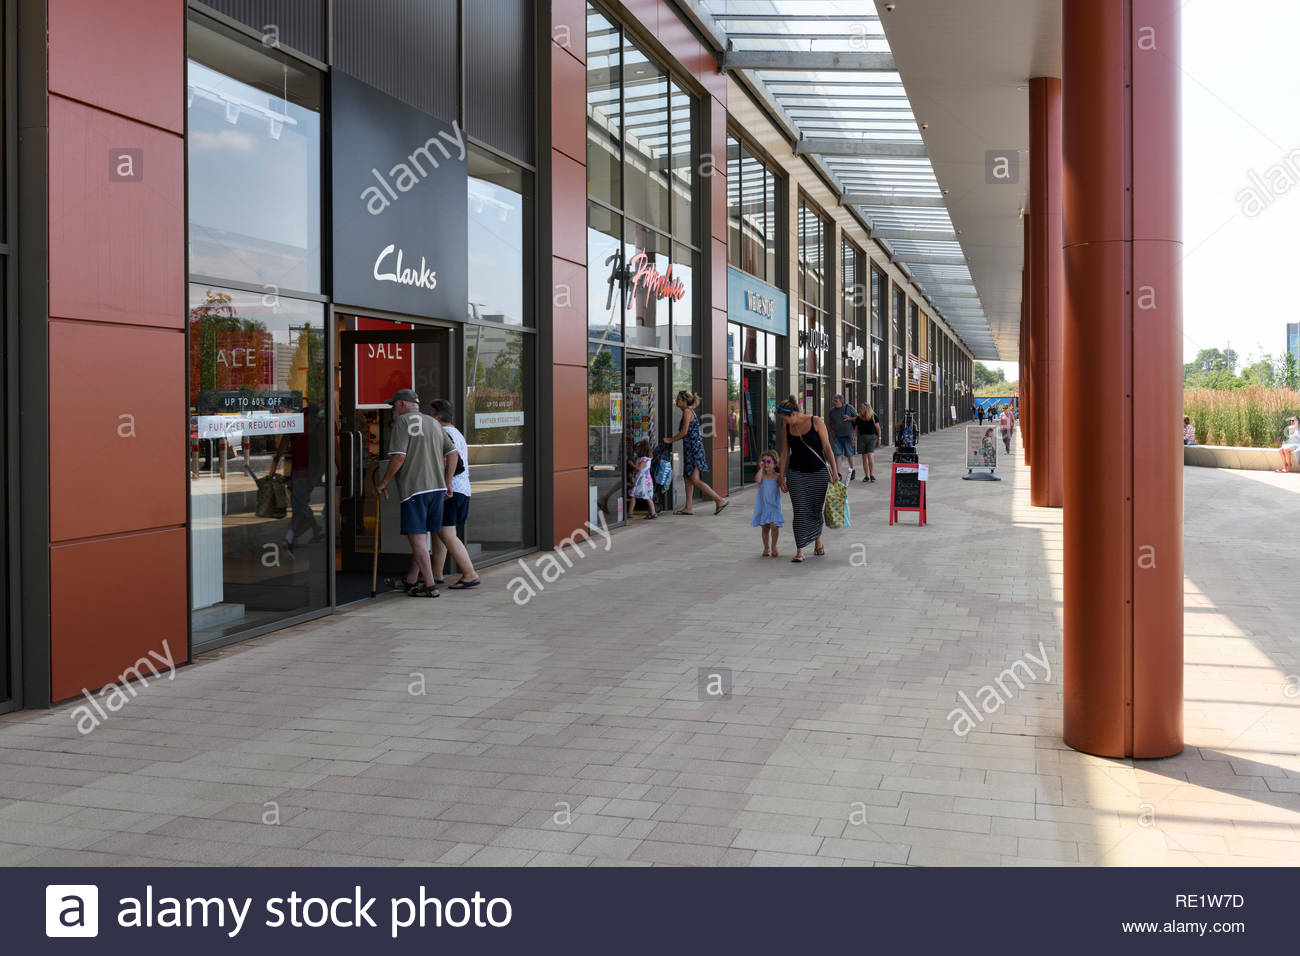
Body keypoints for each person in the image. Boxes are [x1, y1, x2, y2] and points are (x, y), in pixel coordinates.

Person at [777, 395, 838, 563]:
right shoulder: (786, 429)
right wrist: (781, 476)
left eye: (785, 419)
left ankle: (818, 542)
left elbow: (827, 448)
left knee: (815, 510)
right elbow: (784, 454)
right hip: (796, 474)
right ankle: (800, 549)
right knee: (800, 511)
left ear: (793, 414)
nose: (785, 422)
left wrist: (835, 472)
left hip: (818, 473)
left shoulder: (816, 422)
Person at [429, 399, 480, 588]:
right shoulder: (456, 432)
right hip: (462, 489)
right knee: (441, 531)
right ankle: (436, 573)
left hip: (452, 489)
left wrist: (447, 483)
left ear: (438, 416)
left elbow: (449, 458)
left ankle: (469, 573)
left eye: (431, 413)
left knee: (446, 533)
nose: (429, 417)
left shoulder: (443, 433)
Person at [664, 391, 729, 515]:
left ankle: (719, 500)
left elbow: (684, 432)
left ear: (684, 401)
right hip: (691, 449)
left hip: (693, 450)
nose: (676, 401)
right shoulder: (686, 412)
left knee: (694, 479)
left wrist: (670, 440)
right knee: (687, 478)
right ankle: (688, 507)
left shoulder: (688, 412)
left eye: (678, 399)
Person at [752, 449, 784, 557]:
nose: (766, 464)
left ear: (775, 463)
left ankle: (774, 546)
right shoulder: (761, 475)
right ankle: (766, 547)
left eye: (769, 461)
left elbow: (783, 487)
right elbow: (757, 480)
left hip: (774, 506)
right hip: (763, 506)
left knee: (774, 527)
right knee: (765, 527)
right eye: (763, 461)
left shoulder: (777, 476)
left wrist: (783, 482)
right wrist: (760, 469)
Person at [827, 394, 857, 482]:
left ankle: (852, 470)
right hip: (837, 437)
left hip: (848, 436)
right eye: (833, 401)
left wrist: (850, 418)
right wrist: (832, 432)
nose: (834, 402)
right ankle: (838, 473)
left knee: (849, 454)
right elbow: (830, 422)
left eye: (836, 401)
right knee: (838, 454)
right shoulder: (832, 410)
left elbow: (857, 418)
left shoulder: (849, 408)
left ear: (841, 401)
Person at [629, 439, 657, 518]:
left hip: (643, 481)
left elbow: (639, 469)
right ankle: (652, 512)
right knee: (636, 495)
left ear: (642, 449)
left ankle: (653, 512)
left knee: (644, 496)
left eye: (637, 448)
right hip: (640, 480)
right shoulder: (641, 458)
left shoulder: (644, 459)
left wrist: (631, 464)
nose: (636, 449)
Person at [854, 402, 882, 483]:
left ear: (866, 409)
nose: (860, 409)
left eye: (862, 408)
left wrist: (879, 439)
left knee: (870, 455)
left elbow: (878, 429)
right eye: (860, 408)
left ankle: (872, 475)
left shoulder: (874, 416)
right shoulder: (859, 418)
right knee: (864, 457)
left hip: (872, 438)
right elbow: (856, 429)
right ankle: (866, 476)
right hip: (862, 438)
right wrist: (853, 439)